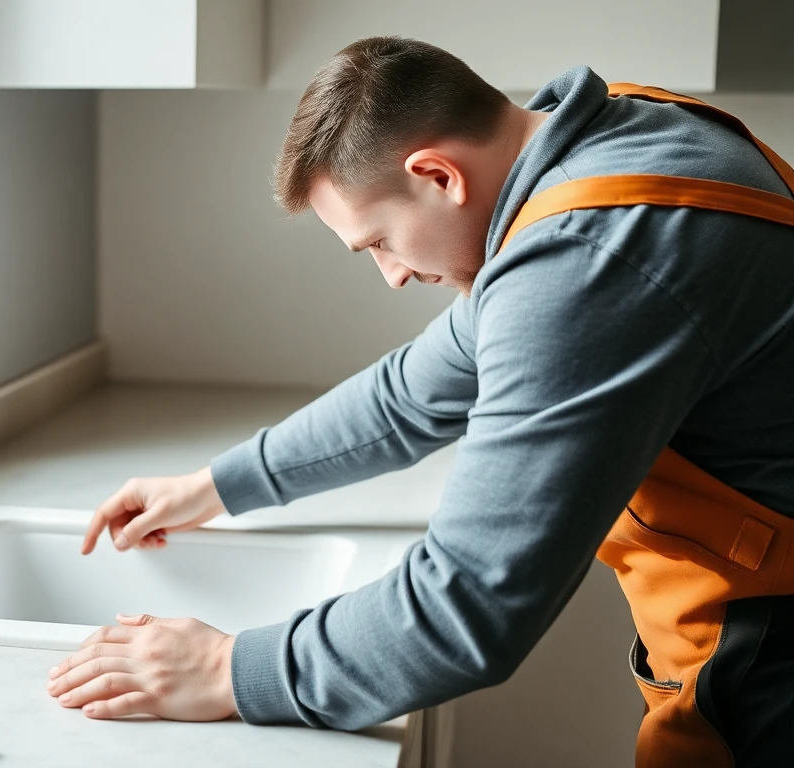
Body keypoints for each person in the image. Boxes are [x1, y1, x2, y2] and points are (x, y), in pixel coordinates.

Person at [43, 36, 794, 767]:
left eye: (379, 241)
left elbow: (465, 609)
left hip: (770, 666)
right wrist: (213, 486)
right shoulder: (617, 141)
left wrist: (225, 669)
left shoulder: (586, 255)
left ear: (437, 174)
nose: (392, 275)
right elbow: (411, 392)